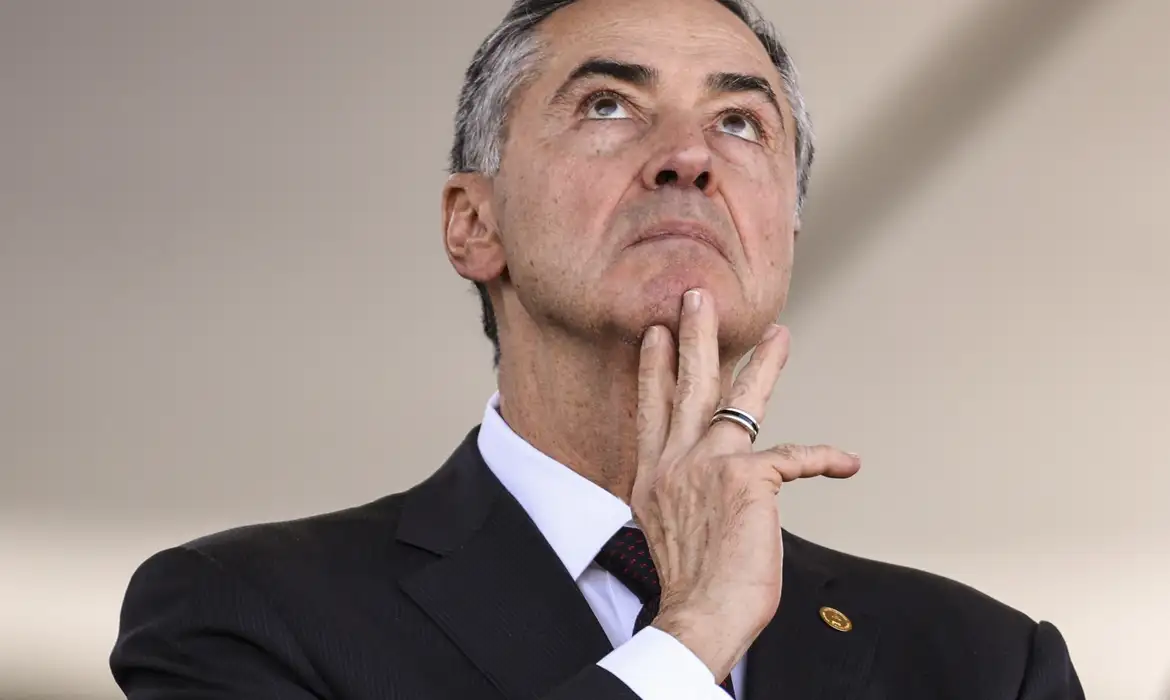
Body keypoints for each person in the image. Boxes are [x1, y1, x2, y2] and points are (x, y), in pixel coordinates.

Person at [110, 0, 1085, 698]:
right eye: (608, 104)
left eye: (739, 121)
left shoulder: (985, 664)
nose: (689, 156)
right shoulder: (243, 613)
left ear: (786, 234)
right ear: (473, 223)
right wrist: (690, 635)